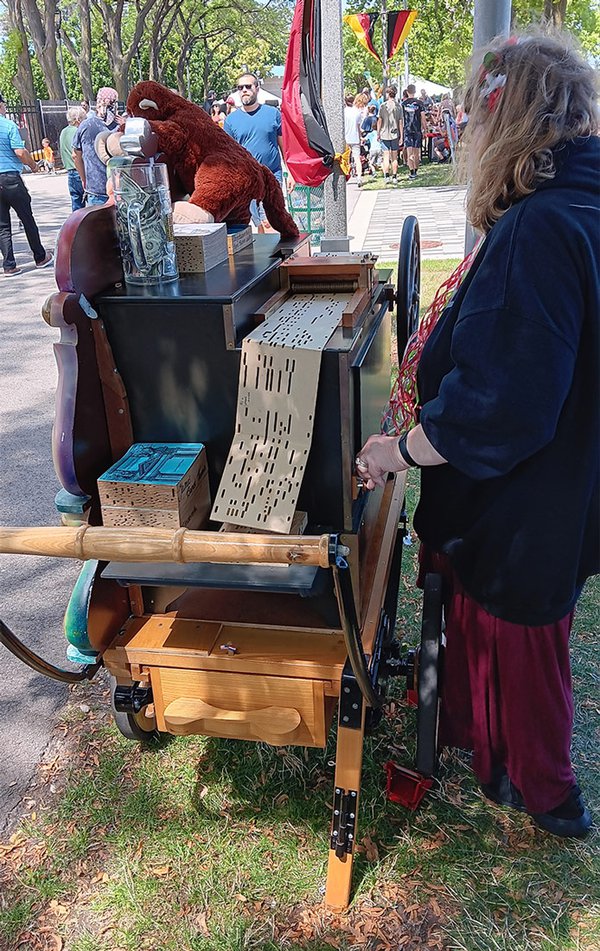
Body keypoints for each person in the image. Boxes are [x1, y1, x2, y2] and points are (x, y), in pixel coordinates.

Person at [356, 33, 598, 839]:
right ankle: (481, 750)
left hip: (526, 506)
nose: (464, 132)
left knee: (522, 648)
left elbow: (500, 406)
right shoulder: (580, 203)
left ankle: (547, 791)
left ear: (510, 120)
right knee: (509, 632)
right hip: (567, 481)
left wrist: (400, 449)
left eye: (473, 116)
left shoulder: (542, 228)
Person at [223, 72, 294, 232]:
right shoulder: (230, 121)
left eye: (248, 86)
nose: (244, 90)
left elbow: (284, 146)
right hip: (248, 180)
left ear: (257, 88)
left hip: (272, 175)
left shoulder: (273, 114)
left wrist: (291, 173)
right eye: (240, 88)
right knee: (259, 223)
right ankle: (268, 254)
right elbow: (229, 155)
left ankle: (277, 254)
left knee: (270, 219)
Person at [0, 93, 53, 275]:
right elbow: (20, 152)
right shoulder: (8, 125)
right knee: (26, 218)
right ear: (1, 106)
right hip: (10, 178)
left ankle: (9, 265)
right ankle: (40, 256)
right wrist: (33, 165)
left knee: (2, 225)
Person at [72, 87, 121, 206]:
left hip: (95, 189)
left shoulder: (86, 125)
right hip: (118, 189)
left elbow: (75, 155)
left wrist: (84, 179)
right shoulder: (120, 125)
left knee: (96, 223)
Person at [59, 106, 87, 211]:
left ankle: (76, 226)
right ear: (78, 120)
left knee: (76, 203)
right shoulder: (78, 131)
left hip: (70, 171)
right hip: (80, 171)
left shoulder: (63, 132)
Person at [376, 86, 403, 185]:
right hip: (395, 133)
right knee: (394, 157)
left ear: (388, 94)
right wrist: (402, 136)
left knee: (386, 156)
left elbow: (380, 120)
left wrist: (378, 133)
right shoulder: (398, 106)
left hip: (384, 133)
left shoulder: (383, 106)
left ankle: (386, 176)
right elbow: (400, 122)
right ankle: (395, 176)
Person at [401, 83, 428, 179]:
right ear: (415, 91)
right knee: (417, 152)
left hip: (407, 129)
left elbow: (402, 119)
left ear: (407, 92)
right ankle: (416, 169)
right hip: (417, 129)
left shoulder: (403, 104)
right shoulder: (419, 103)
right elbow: (423, 117)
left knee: (409, 151)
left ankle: (412, 171)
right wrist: (425, 129)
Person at [344, 93, 363, 186]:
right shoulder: (357, 112)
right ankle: (359, 177)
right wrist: (360, 138)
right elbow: (358, 126)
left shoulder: (343, 112)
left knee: (345, 158)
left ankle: (345, 176)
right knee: (357, 158)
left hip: (345, 138)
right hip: (355, 137)